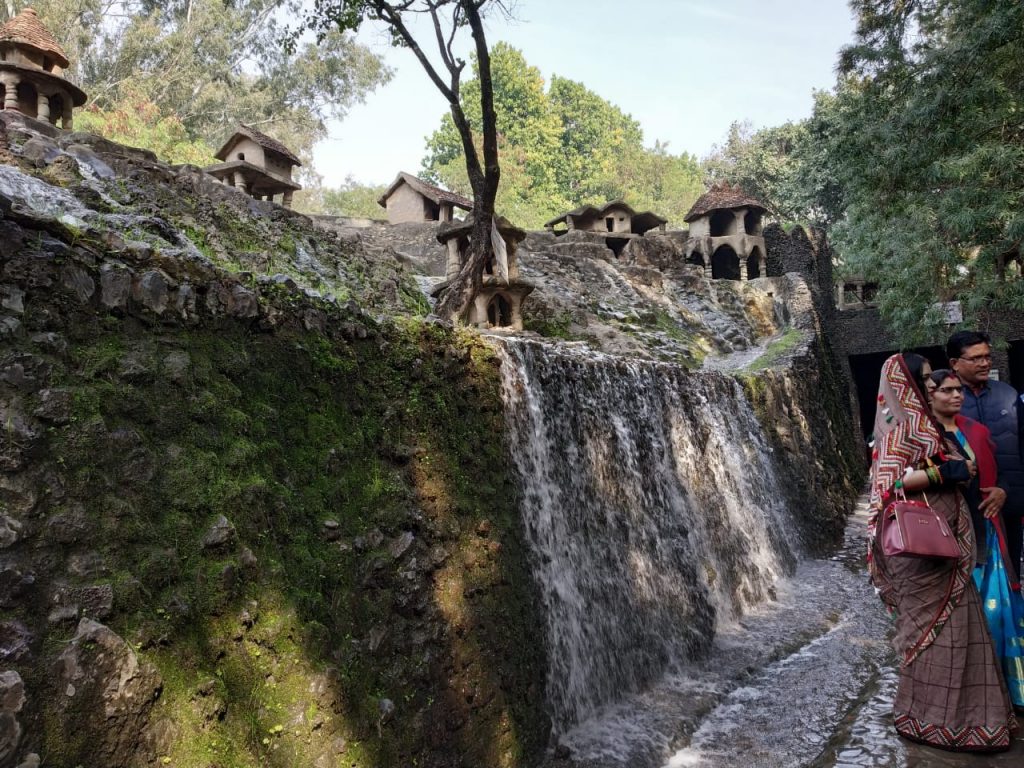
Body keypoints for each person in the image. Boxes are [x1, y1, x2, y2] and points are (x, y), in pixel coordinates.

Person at [868, 353, 1015, 751]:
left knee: (962, 630)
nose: (934, 386)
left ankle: (971, 721)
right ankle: (928, 720)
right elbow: (887, 484)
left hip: (947, 549)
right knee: (934, 635)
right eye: (928, 380)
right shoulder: (902, 432)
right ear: (910, 386)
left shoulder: (930, 429)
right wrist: (942, 472)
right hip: (920, 553)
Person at [927, 367, 1024, 710]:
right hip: (945, 540)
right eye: (947, 391)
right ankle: (966, 700)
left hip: (986, 532)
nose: (957, 396)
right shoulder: (923, 437)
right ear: (930, 395)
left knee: (996, 614)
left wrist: (1003, 491)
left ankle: (1004, 692)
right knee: (958, 620)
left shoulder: (979, 433)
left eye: (959, 391)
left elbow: (1002, 474)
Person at [947, 330, 1024, 582]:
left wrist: (1007, 490)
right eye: (976, 358)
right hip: (967, 509)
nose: (984, 363)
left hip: (1010, 503)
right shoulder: (945, 404)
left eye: (987, 357)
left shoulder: (1008, 395)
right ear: (954, 364)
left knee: (1012, 572)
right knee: (972, 577)